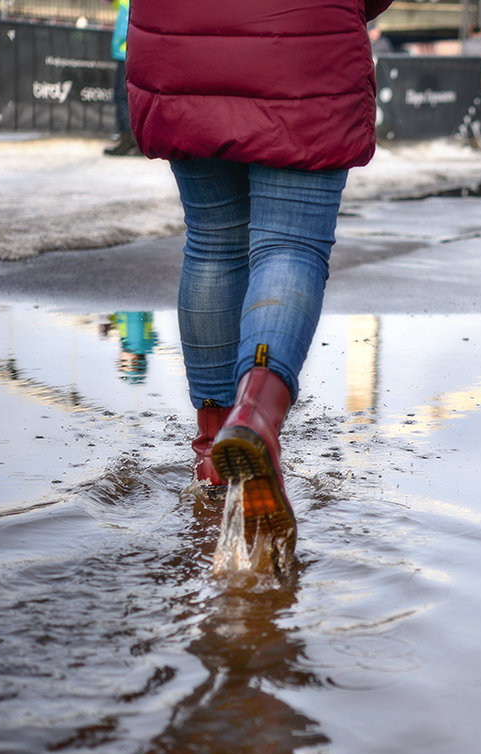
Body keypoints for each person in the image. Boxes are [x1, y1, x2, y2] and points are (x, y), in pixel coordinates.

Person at [125, 0, 393, 568]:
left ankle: (213, 453)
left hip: (181, 36)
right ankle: (257, 417)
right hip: (300, 39)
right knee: (290, 244)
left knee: (213, 244)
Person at [102, 0, 139, 157]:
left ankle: (130, 138)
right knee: (124, 97)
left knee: (123, 97)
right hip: (125, 54)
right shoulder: (124, 2)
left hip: (129, 54)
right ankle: (128, 137)